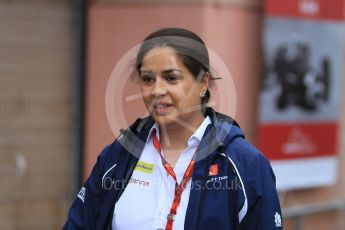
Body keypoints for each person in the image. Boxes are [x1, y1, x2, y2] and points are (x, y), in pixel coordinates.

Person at [64, 28, 282, 230]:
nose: (157, 90)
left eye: (171, 78)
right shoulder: (117, 155)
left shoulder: (244, 163)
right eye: (148, 79)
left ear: (203, 83)